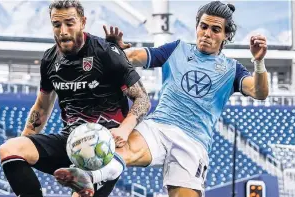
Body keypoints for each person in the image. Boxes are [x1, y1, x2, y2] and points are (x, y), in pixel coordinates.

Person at [60, 1, 270, 197]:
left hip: (193, 141)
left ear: (225, 35)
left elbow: (260, 92)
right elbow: (134, 57)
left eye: (215, 30)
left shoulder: (232, 69)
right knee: (126, 150)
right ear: (197, 26)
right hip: (159, 126)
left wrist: (258, 62)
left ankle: (90, 176)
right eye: (203, 26)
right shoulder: (177, 49)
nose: (207, 33)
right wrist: (115, 51)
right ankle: (87, 177)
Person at [0, 0, 151, 197]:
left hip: (101, 150)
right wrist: (25, 142)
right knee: (10, 149)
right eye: (57, 24)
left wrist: (124, 129)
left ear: (83, 22)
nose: (63, 31)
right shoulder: (50, 59)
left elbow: (142, 99)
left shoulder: (105, 52)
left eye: (70, 23)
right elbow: (42, 107)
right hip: (70, 142)